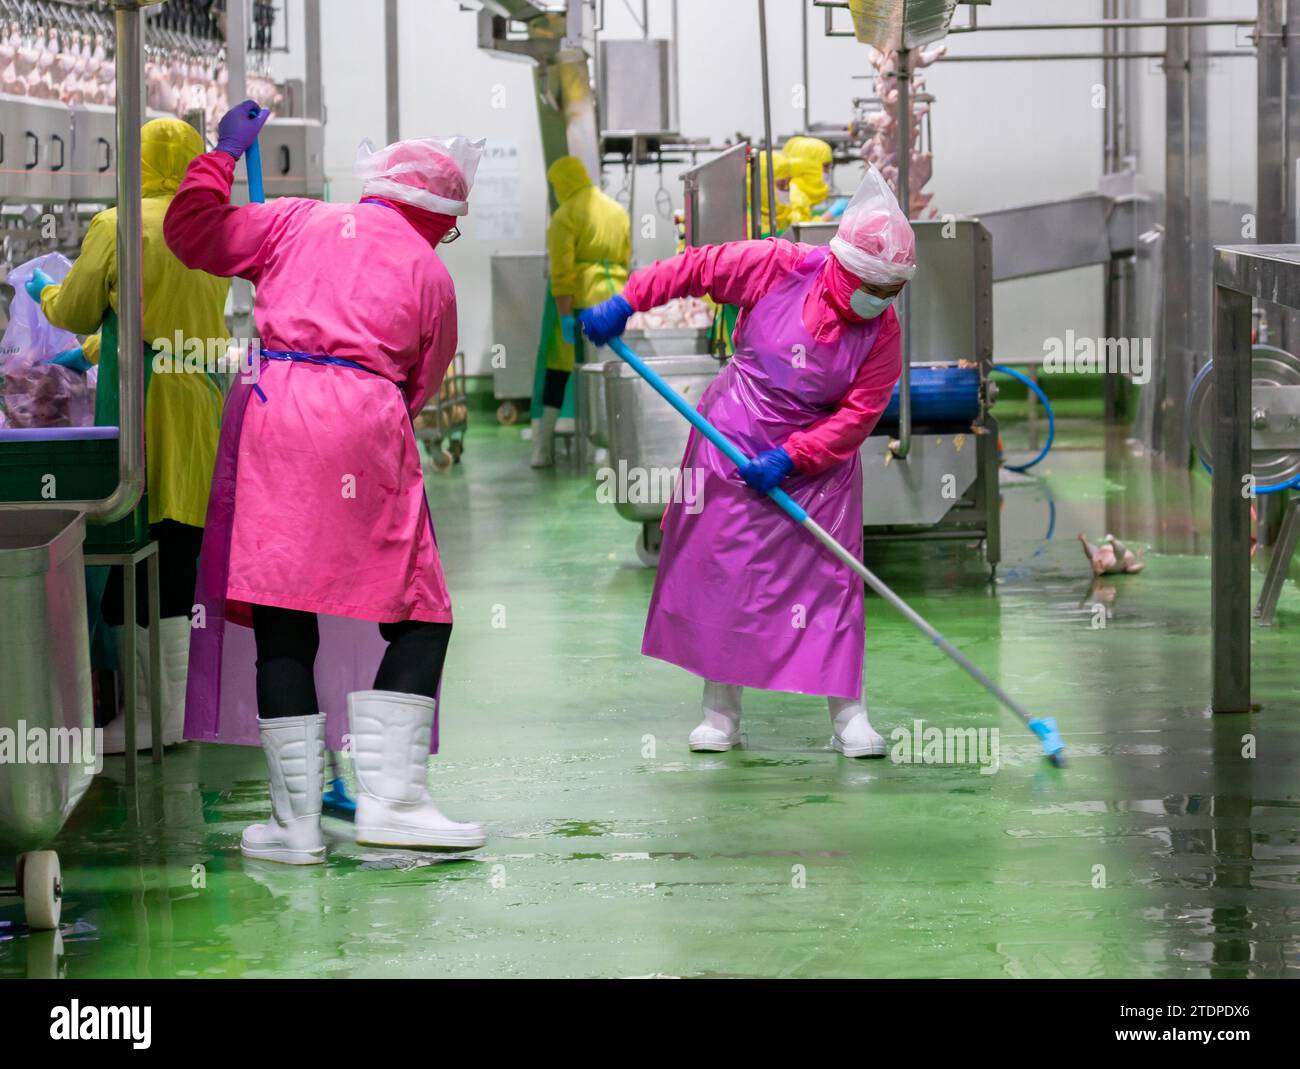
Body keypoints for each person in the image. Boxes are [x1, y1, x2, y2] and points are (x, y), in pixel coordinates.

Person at [164, 100, 486, 864]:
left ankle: (295, 824)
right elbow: (422, 380)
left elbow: (193, 234)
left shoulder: (293, 220)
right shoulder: (429, 272)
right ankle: (393, 801)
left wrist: (217, 156)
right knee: (418, 611)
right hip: (366, 420)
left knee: (283, 620)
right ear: (438, 216)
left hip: (276, 416)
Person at [579, 166, 915, 757]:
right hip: (733, 437)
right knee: (724, 573)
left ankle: (849, 717)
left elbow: (860, 414)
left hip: (818, 467)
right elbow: (697, 267)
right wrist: (628, 300)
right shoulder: (781, 265)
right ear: (839, 263)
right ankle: (720, 712)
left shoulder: (882, 330)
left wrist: (793, 455)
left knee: (831, 582)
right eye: (870, 285)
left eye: (890, 292)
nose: (877, 300)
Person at [28, 117, 230, 753]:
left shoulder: (119, 224)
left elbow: (81, 305)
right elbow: (159, 321)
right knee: (178, 550)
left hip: (143, 405)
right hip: (198, 397)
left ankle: (147, 716)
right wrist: (93, 351)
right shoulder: (209, 223)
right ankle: (171, 713)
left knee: (128, 543)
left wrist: (44, 294)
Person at [531, 155, 631, 468]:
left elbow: (562, 273)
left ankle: (542, 449)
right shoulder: (617, 211)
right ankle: (610, 449)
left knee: (559, 370)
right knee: (611, 370)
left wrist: (564, 316)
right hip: (616, 297)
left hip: (582, 300)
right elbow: (627, 257)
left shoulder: (565, 216)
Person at [783, 135, 834, 223]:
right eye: (825, 167)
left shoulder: (802, 192)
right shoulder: (795, 194)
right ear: (810, 167)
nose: (828, 172)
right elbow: (797, 229)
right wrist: (827, 217)